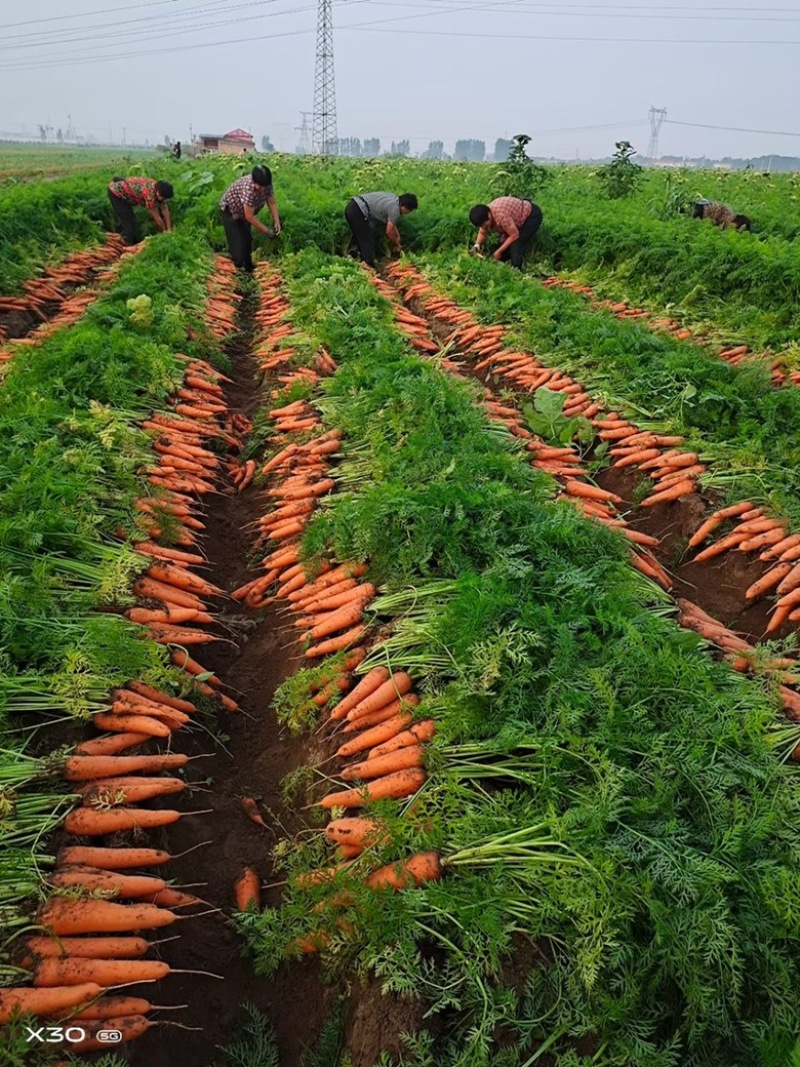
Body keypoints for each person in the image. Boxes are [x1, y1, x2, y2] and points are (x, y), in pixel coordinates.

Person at [219, 165, 281, 272]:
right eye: (260, 187)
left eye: (264, 187)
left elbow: (271, 202)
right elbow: (249, 217)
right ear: (254, 181)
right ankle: (237, 270)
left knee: (247, 241)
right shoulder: (249, 188)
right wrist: (267, 231)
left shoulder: (266, 185)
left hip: (244, 215)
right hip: (231, 211)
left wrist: (277, 221)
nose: (262, 189)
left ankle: (248, 268)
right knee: (238, 248)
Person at [344, 192, 418, 267]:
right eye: (409, 211)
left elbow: (392, 224)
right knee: (367, 240)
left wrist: (397, 237)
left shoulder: (394, 200)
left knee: (360, 236)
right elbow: (388, 231)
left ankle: (357, 258)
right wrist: (397, 244)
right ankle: (369, 265)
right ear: (404, 207)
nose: (407, 213)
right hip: (357, 211)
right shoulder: (395, 210)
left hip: (353, 205)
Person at [469, 197, 543, 269]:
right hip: (514, 220)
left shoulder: (501, 216)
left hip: (531, 215)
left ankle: (517, 271)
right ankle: (503, 262)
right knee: (501, 247)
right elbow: (482, 233)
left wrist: (498, 252)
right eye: (481, 226)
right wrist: (476, 245)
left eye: (484, 225)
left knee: (516, 245)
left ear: (489, 215)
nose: (483, 227)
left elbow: (514, 235)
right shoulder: (483, 217)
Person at [108, 176, 174, 246]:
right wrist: (164, 231)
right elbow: (156, 217)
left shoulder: (158, 188)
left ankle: (130, 238)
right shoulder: (149, 194)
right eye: (162, 197)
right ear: (158, 192)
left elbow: (165, 209)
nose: (163, 199)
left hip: (125, 191)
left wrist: (169, 229)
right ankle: (127, 243)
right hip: (116, 193)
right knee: (128, 219)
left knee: (130, 218)